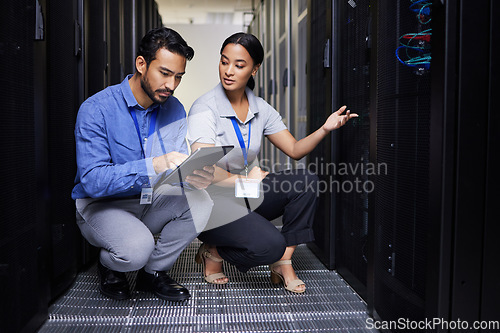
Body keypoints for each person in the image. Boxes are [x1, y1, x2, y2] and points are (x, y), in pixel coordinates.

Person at [186, 32, 357, 293]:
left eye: (239, 65)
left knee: (306, 180)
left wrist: (325, 128)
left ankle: (284, 260)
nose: (229, 71)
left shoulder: (260, 108)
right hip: (211, 203)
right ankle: (215, 250)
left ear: (254, 69)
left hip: (244, 192)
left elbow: (295, 150)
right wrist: (247, 180)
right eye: (224, 62)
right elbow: (204, 171)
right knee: (268, 244)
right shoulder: (204, 108)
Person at [72, 27, 215, 302]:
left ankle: (153, 273)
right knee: (137, 249)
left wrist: (192, 175)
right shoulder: (97, 109)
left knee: (202, 201)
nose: (171, 85)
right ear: (141, 64)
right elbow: (92, 180)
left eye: (178, 77)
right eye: (164, 73)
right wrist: (154, 164)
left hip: (149, 200)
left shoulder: (174, 109)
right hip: (102, 205)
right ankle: (110, 261)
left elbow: (172, 172)